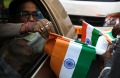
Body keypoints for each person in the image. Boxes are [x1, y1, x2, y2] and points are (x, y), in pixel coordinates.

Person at [0, 0, 55, 77]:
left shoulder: (41, 38)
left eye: (34, 14)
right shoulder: (8, 32)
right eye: (24, 14)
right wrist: (27, 27)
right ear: (12, 17)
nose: (31, 19)